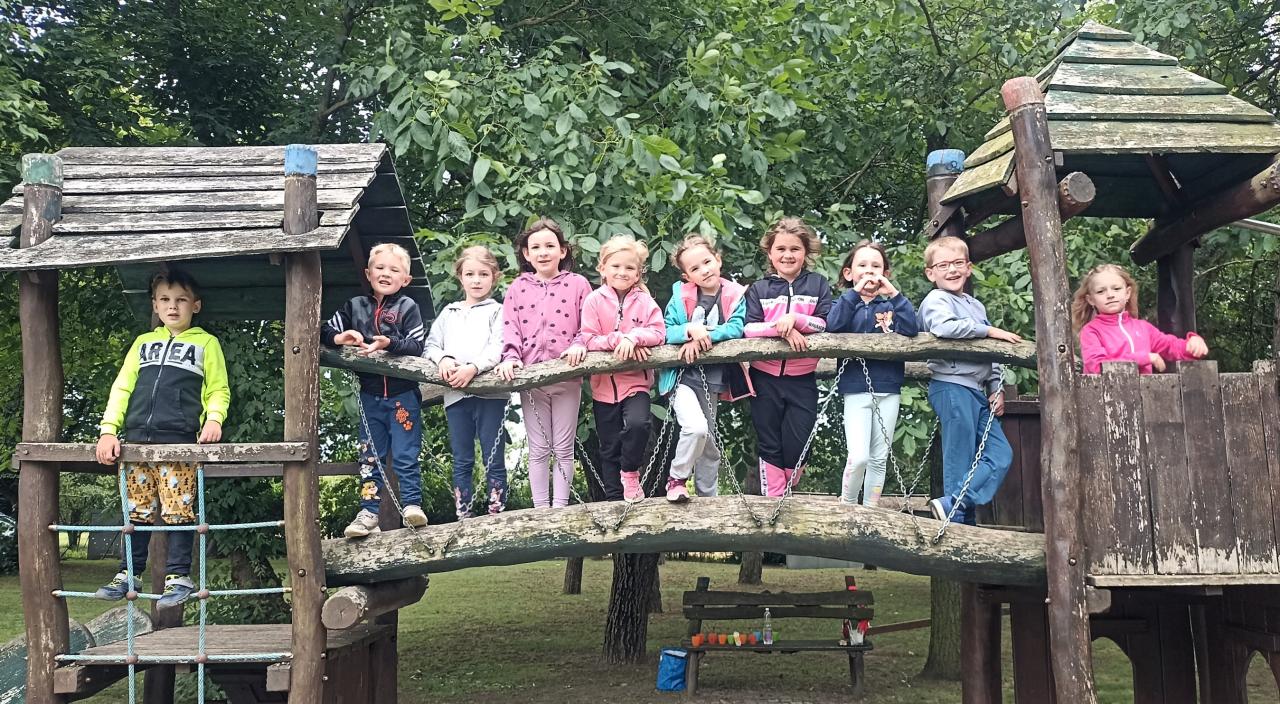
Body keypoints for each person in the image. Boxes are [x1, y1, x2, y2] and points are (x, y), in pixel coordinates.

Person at [93, 269, 230, 608]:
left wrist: (214, 418)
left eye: (181, 300)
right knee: (136, 510)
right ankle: (128, 573)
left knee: (178, 508)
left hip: (179, 440)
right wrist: (108, 430)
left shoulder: (206, 344)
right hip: (135, 441)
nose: (173, 306)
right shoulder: (142, 343)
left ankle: (178, 577)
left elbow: (218, 388)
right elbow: (122, 387)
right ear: (155, 305)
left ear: (195, 305)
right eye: (165, 300)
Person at [322, 243, 428, 538]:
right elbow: (324, 331)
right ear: (368, 273)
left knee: (405, 453)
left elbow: (417, 345)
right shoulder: (354, 306)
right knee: (369, 455)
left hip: (403, 395)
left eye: (394, 270)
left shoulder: (408, 307)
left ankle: (412, 505)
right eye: (379, 268)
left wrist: (389, 343)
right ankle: (368, 513)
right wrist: (341, 337)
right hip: (370, 396)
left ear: (405, 279)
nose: (385, 273)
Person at [919, 236, 1018, 525]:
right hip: (951, 385)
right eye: (943, 265)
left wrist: (996, 387)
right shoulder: (936, 300)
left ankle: (954, 504)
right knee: (959, 457)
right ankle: (959, 523)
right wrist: (988, 331)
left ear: (969, 267)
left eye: (958, 263)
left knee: (1000, 455)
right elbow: (944, 327)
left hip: (978, 390)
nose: (952, 270)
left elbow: (992, 352)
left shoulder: (976, 306)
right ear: (931, 273)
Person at [495, 217, 592, 508]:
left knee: (563, 448)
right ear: (526, 254)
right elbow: (510, 327)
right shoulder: (518, 287)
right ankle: (540, 510)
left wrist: (579, 344)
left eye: (550, 246)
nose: (543, 252)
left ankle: (559, 508)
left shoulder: (578, 284)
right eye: (535, 247)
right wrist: (511, 356)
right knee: (538, 448)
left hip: (567, 376)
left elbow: (589, 323)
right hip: (532, 379)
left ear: (563, 250)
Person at [656, 234, 753, 502]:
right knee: (696, 429)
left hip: (712, 379)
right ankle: (677, 479)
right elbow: (665, 330)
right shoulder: (680, 297)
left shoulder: (735, 295)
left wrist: (704, 335)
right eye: (695, 268)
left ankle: (708, 498)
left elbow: (736, 327)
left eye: (707, 262)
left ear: (718, 260)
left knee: (709, 442)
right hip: (681, 378)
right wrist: (689, 330)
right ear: (687, 276)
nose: (704, 270)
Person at [744, 217, 833, 497]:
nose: (787, 255)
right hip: (764, 377)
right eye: (780, 249)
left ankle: (787, 484)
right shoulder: (759, 289)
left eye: (795, 249)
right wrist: (781, 328)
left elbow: (825, 322)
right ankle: (775, 501)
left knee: (799, 441)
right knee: (769, 441)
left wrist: (796, 320)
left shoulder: (818, 285)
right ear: (770, 253)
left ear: (806, 252)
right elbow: (749, 328)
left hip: (802, 378)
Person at [827, 240, 918, 507]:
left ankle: (871, 509)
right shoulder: (844, 303)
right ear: (848, 273)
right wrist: (854, 293)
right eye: (862, 266)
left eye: (876, 266)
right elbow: (833, 326)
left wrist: (895, 295)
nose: (869, 271)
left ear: (886, 274)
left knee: (879, 458)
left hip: (889, 389)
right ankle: (847, 505)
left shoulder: (891, 306)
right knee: (859, 457)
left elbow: (911, 328)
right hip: (855, 389)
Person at [577, 235, 666, 502]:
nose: (622, 272)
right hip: (603, 388)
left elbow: (658, 333)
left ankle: (630, 472)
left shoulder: (645, 302)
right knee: (609, 446)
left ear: (638, 273)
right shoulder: (593, 301)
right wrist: (618, 340)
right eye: (615, 266)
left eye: (629, 268)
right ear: (602, 268)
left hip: (635, 383)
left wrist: (634, 338)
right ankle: (614, 499)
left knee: (639, 425)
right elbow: (589, 339)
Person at [425, 245, 509, 519]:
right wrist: (444, 359)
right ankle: (463, 514)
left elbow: (498, 347)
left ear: (494, 277)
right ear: (460, 277)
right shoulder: (448, 313)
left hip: (491, 396)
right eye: (470, 274)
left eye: (483, 274)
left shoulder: (498, 311)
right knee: (462, 458)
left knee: (493, 455)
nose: (476, 280)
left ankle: (497, 512)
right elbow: (431, 345)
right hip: (455, 396)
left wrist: (473, 368)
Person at [1073, 263, 1209, 374]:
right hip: (1105, 398)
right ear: (1091, 300)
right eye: (1100, 291)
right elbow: (1097, 366)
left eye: (1116, 288)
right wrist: (1144, 358)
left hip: (1144, 397)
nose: (1110, 295)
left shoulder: (1143, 328)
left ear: (1127, 293)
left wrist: (1193, 344)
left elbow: (1171, 346)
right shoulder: (1090, 331)